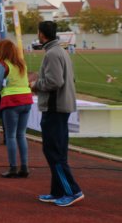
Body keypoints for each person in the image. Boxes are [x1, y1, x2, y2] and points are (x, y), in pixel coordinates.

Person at [30, 21, 84, 207]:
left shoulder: (52, 53)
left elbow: (54, 81)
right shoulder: (60, 51)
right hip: (60, 106)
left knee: (53, 151)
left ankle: (72, 191)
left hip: (55, 107)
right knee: (56, 150)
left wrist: (35, 85)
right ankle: (57, 190)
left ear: (42, 34)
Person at [0, 40, 33, 178]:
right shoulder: (21, 64)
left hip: (12, 101)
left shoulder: (2, 65)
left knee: (10, 136)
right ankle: (24, 166)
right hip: (26, 100)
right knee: (21, 135)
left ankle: (12, 168)